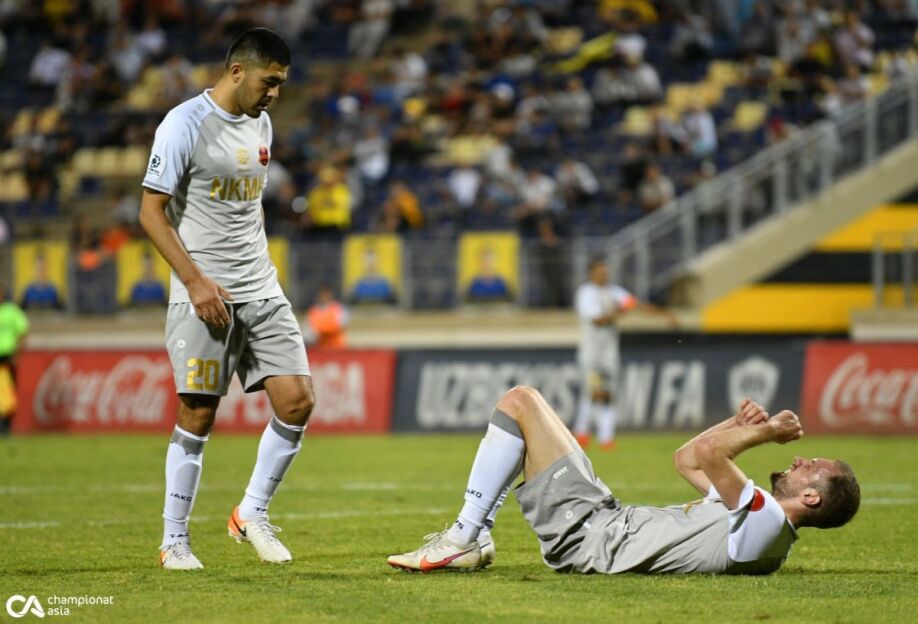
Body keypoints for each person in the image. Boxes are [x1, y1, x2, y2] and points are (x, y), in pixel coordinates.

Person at [139, 28, 315, 571]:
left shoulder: (262, 122)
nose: (275, 94)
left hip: (261, 286)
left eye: (281, 84)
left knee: (297, 401)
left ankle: (251, 513)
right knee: (198, 412)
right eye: (269, 81)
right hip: (204, 292)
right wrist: (195, 281)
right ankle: (174, 540)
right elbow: (150, 212)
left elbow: (245, 207)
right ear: (237, 71)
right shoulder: (184, 124)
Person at [387, 388, 860, 574]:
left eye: (811, 465)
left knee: (520, 403)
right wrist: (737, 423)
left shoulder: (768, 525)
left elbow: (711, 455)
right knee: (525, 411)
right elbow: (688, 460)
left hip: (591, 537)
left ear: (811, 497)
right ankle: (474, 536)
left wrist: (765, 433)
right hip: (601, 521)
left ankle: (463, 538)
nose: (799, 459)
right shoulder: (754, 521)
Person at [572, 257, 672, 451]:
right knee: (592, 390)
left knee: (609, 392)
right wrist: (619, 310)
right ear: (591, 274)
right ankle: (582, 432)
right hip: (591, 351)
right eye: (600, 272)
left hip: (609, 351)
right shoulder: (586, 293)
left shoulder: (613, 291)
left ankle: (605, 437)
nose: (603, 275)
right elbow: (597, 321)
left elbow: (636, 305)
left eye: (605, 271)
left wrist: (664, 314)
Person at [0, 284, 28, 436]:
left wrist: (17, 354)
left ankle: (5, 425)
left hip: (7, 356)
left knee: (8, 391)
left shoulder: (12, 311)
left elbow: (23, 331)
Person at [304, 285, 348, 349]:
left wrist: (321, 330)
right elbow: (308, 328)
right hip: (319, 348)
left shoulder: (338, 309)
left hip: (336, 348)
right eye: (322, 294)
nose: (323, 297)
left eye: (325, 294)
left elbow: (341, 325)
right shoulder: (313, 310)